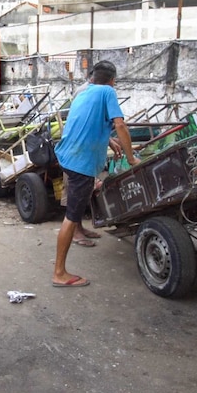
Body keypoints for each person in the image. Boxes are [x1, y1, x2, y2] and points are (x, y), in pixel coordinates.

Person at [52, 61, 139, 287]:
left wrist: (108, 139)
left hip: (68, 156)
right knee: (71, 217)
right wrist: (132, 159)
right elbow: (120, 125)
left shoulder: (85, 91)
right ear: (112, 80)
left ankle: (65, 260)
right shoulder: (108, 91)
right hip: (80, 162)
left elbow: (86, 121)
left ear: (92, 77)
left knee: (74, 211)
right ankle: (59, 273)